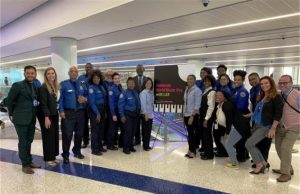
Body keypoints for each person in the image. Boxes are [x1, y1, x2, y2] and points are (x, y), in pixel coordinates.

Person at [6, 65, 41, 174]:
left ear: (35, 74)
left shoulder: (35, 85)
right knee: (23, 141)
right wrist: (11, 114)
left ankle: (29, 161)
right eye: (28, 73)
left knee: (29, 140)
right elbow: (9, 101)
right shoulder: (18, 85)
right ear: (24, 74)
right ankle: (25, 164)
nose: (30, 75)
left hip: (31, 118)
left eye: (32, 73)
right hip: (20, 118)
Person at [246, 76, 283, 174]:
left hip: (266, 126)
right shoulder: (262, 96)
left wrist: (273, 128)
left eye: (266, 83)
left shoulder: (276, 96)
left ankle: (258, 164)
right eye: (262, 84)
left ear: (271, 83)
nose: (264, 85)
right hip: (256, 125)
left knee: (248, 144)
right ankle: (263, 163)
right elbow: (257, 111)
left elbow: (278, 113)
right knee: (254, 145)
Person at [273, 75, 300, 182]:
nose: (282, 85)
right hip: (280, 126)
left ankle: (285, 173)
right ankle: (288, 168)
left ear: (291, 83)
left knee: (285, 148)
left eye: (285, 83)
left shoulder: (297, 95)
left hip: (294, 126)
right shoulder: (279, 95)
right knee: (278, 148)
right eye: (280, 83)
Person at [59, 66, 86, 164]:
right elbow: (60, 99)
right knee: (67, 135)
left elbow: (87, 95)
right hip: (68, 113)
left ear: (77, 73)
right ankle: (65, 154)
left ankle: (77, 151)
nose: (73, 73)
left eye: (75, 71)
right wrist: (61, 110)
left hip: (80, 112)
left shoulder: (82, 84)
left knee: (79, 134)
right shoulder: (64, 84)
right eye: (71, 71)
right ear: (69, 73)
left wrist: (85, 99)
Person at [39, 67, 59, 166]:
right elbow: (43, 104)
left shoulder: (53, 86)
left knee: (54, 136)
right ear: (46, 76)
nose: (51, 75)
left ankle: (53, 156)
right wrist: (46, 117)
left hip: (54, 114)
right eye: (48, 73)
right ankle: (48, 158)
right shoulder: (43, 87)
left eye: (53, 73)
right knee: (48, 137)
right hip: (48, 116)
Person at [231, 70, 250, 162]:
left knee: (240, 138)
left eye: (239, 80)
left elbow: (241, 107)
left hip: (240, 118)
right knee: (241, 138)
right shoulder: (236, 90)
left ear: (243, 81)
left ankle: (240, 157)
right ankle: (244, 156)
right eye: (235, 79)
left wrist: (231, 110)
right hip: (237, 117)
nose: (236, 81)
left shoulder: (242, 91)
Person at [118, 77, 141, 154]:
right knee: (128, 131)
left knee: (133, 131)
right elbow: (120, 105)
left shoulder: (136, 92)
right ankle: (125, 147)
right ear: (127, 84)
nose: (131, 84)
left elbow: (138, 103)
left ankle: (131, 146)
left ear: (134, 84)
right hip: (127, 115)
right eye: (129, 83)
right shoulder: (124, 93)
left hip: (135, 115)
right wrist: (122, 116)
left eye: (132, 83)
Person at [88, 70, 107, 156]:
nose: (96, 79)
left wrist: (104, 111)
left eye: (98, 78)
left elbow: (104, 99)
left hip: (102, 110)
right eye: (95, 78)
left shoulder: (101, 87)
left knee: (101, 130)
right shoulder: (91, 88)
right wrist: (97, 113)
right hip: (95, 111)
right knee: (95, 130)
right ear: (92, 79)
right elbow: (92, 102)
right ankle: (94, 149)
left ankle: (99, 146)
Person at [183, 75, 202, 158]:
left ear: (195, 80)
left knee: (192, 134)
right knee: (189, 134)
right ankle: (190, 150)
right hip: (186, 114)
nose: (189, 80)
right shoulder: (187, 89)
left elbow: (197, 105)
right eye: (188, 79)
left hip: (192, 115)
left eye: (191, 79)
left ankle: (193, 151)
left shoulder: (197, 90)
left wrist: (192, 116)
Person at [199, 75, 216, 160]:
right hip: (204, 116)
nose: (206, 82)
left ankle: (209, 154)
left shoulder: (212, 92)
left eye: (208, 81)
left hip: (207, 117)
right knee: (205, 135)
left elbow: (211, 107)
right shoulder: (206, 90)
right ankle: (206, 152)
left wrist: (206, 119)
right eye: (205, 81)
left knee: (207, 135)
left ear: (211, 82)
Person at [78, 63, 93, 148]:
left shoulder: (95, 78)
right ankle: (85, 141)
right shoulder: (81, 78)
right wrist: (82, 98)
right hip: (83, 106)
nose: (88, 68)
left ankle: (96, 140)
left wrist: (87, 98)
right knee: (84, 124)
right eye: (87, 67)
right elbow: (79, 89)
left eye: (90, 67)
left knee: (94, 124)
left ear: (92, 68)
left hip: (93, 105)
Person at [107, 72, 124, 150]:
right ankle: (110, 145)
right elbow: (110, 103)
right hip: (114, 111)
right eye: (115, 79)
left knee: (120, 128)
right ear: (113, 80)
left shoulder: (120, 87)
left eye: (118, 78)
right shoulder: (111, 89)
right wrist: (113, 114)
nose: (117, 80)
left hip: (120, 111)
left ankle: (119, 143)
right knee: (112, 129)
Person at [133, 64, 148, 146]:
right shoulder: (133, 79)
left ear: (143, 70)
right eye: (138, 69)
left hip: (145, 107)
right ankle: (137, 140)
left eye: (141, 69)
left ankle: (145, 141)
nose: (139, 70)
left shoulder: (147, 79)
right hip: (136, 106)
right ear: (136, 70)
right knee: (136, 124)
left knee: (145, 125)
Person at [140, 78, 155, 151]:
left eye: (150, 83)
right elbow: (143, 104)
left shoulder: (150, 92)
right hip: (145, 114)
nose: (149, 84)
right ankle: (145, 146)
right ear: (145, 84)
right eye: (147, 83)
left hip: (150, 114)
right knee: (146, 131)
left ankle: (147, 145)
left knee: (148, 131)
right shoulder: (143, 93)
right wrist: (145, 113)